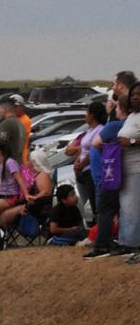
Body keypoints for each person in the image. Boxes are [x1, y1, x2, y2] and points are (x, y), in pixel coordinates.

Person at [85, 90, 131, 259]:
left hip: (111, 173)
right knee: (126, 209)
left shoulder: (114, 126)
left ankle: (102, 244)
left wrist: (111, 150)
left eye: (117, 107)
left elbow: (96, 143)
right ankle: (124, 240)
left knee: (106, 209)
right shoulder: (131, 125)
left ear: (122, 109)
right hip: (130, 174)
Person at [68, 101, 108, 221]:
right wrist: (76, 161)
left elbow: (94, 150)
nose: (85, 115)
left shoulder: (100, 129)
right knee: (87, 202)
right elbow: (83, 148)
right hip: (82, 171)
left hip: (91, 170)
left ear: (92, 115)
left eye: (87, 112)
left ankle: (99, 228)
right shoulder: (90, 130)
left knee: (95, 202)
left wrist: (82, 164)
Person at [114, 81, 140, 262]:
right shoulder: (132, 116)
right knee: (128, 209)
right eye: (133, 95)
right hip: (126, 169)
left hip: (138, 168)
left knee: (134, 209)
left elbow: (132, 140)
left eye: (139, 94)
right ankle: (129, 245)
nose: (136, 97)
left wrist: (130, 142)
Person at [0, 98, 26, 164]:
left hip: (9, 165)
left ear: (4, 110)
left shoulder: (7, 123)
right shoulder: (20, 122)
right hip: (19, 162)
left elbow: (1, 146)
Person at [12, 94, 33, 164]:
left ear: (22, 106)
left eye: (16, 106)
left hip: (21, 159)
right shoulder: (13, 119)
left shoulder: (25, 120)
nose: (13, 109)